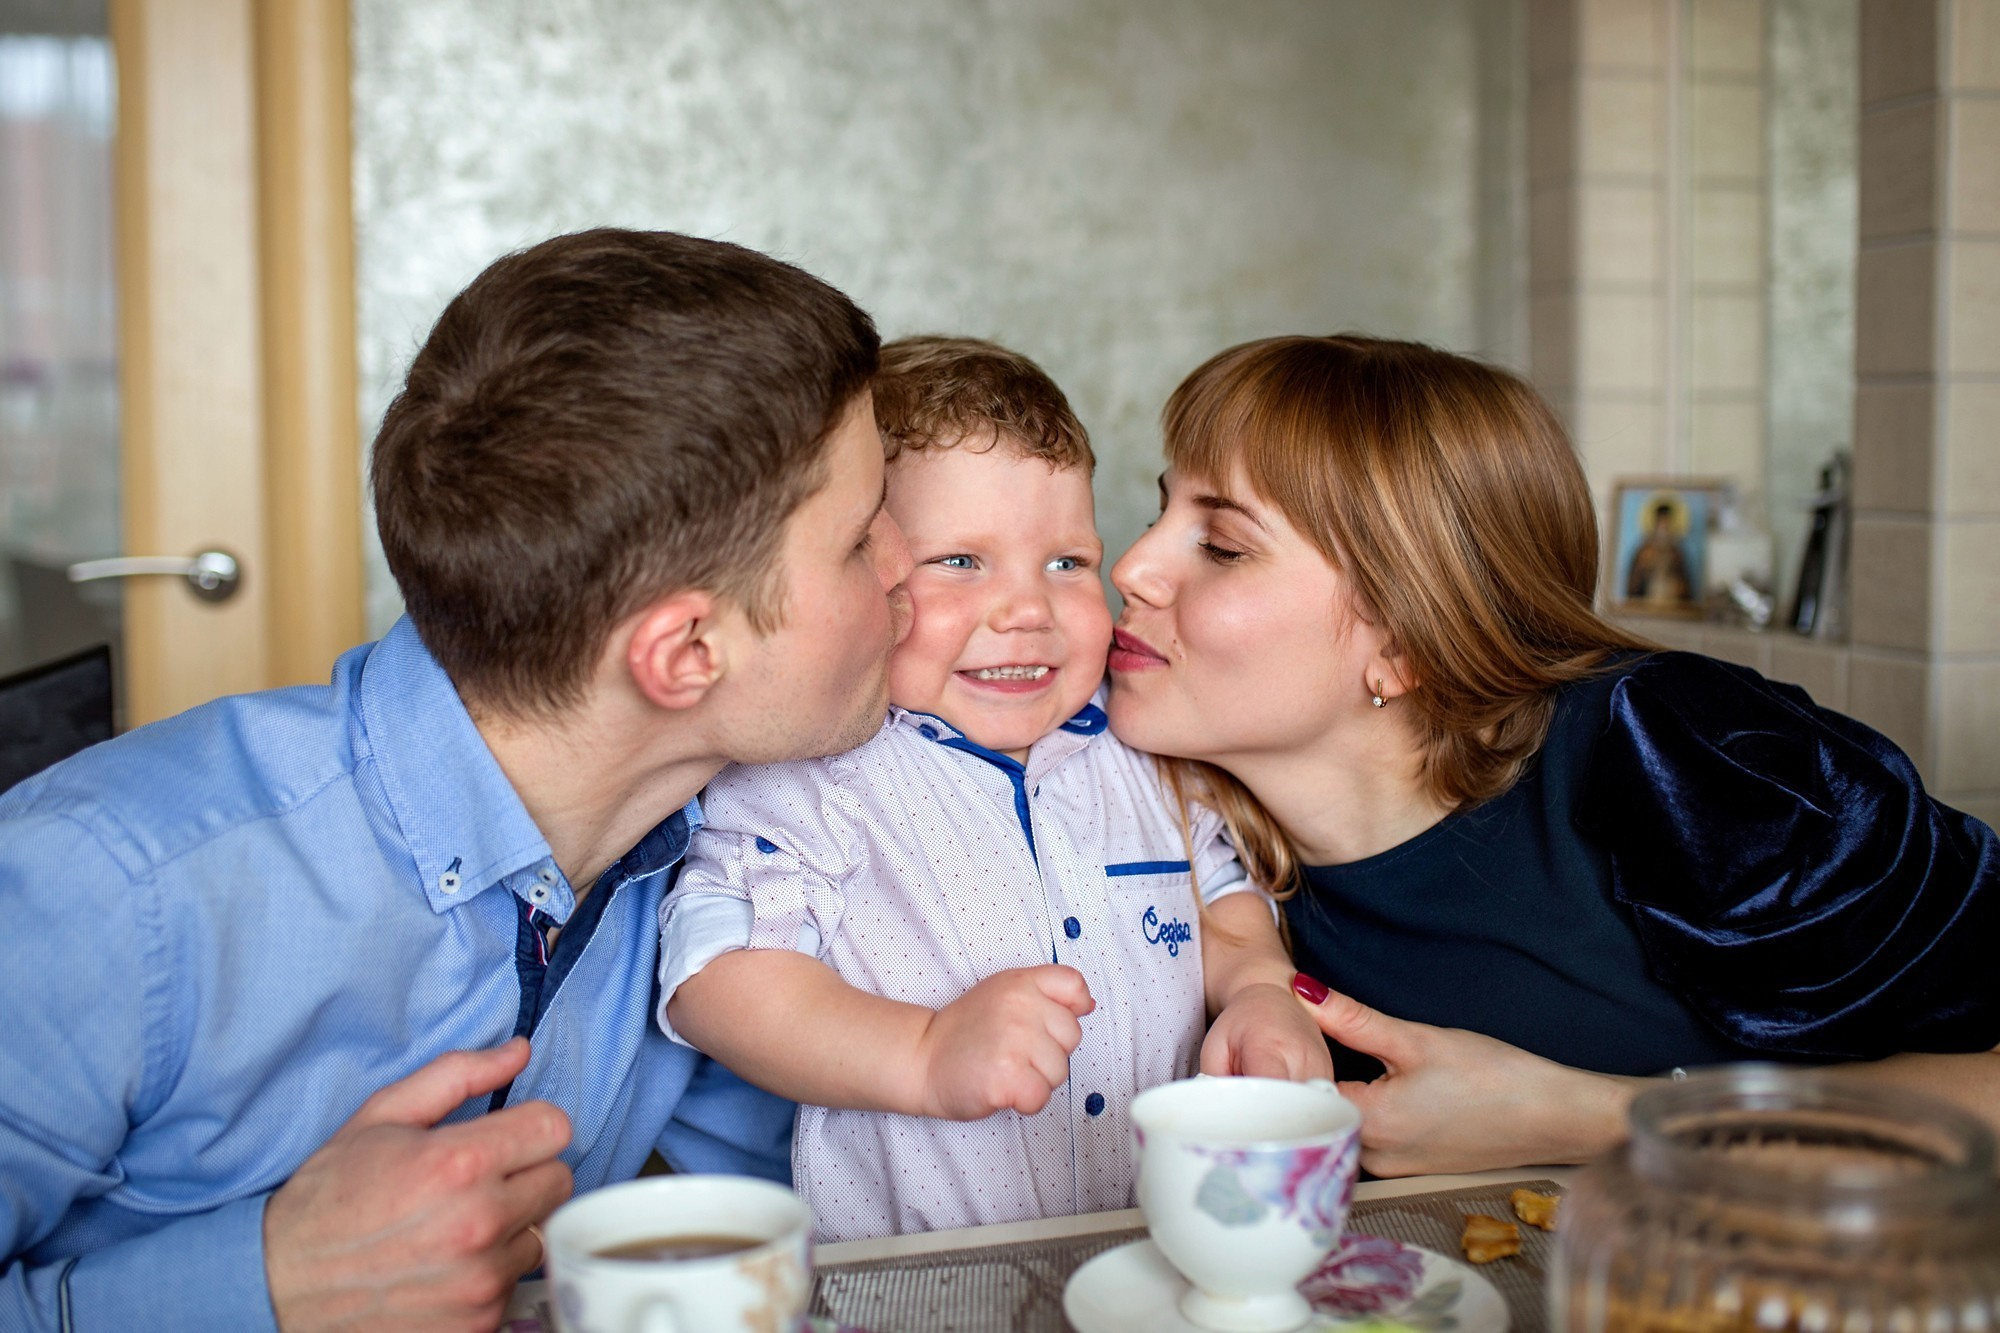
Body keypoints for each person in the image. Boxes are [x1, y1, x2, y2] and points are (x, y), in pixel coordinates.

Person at [0, 228, 914, 1331]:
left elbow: (827, 1205)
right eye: (860, 539)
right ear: (683, 654)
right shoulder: (105, 891)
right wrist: (265, 1284)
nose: (907, 563)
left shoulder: (720, 842)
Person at [1105, 333, 2000, 1177]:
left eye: (1222, 546)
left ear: (1406, 644)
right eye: (1158, 510)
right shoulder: (1157, 811)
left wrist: (1584, 1116)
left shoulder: (1674, 752)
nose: (1131, 566)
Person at [658, 336, 1325, 1242]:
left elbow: (1224, 907)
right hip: (917, 1276)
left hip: (1154, 1254)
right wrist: (921, 1054)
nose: (1027, 610)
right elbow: (718, 979)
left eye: (1067, 562)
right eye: (961, 562)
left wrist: (1259, 990)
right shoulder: (813, 773)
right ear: (865, 569)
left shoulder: (1142, 750)